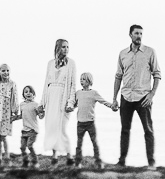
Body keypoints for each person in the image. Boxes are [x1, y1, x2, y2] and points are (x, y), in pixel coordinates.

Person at [112, 24, 161, 168]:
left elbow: (157, 75)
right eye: (136, 33)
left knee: (148, 130)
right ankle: (122, 161)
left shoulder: (150, 52)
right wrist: (114, 98)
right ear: (130, 35)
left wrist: (151, 95)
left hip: (143, 98)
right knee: (125, 130)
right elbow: (118, 76)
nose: (139, 36)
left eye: (141, 34)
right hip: (126, 96)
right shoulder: (123, 54)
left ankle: (151, 162)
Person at [67, 71, 116, 166]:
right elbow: (75, 105)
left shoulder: (94, 93)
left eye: (84, 79)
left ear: (89, 81)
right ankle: (78, 162)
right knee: (79, 144)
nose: (81, 81)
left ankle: (98, 162)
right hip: (80, 123)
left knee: (94, 143)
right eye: (80, 79)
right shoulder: (78, 93)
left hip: (90, 123)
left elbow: (103, 101)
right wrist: (68, 108)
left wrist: (112, 106)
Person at [41, 38, 77, 166]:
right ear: (57, 48)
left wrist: (70, 102)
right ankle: (54, 155)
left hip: (63, 98)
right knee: (52, 127)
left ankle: (69, 155)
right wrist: (42, 103)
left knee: (62, 128)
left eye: (67, 47)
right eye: (63, 47)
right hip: (51, 97)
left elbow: (73, 85)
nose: (66, 49)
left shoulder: (71, 63)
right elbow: (46, 84)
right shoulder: (50, 63)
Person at [16, 85, 41, 168]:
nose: (28, 93)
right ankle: (25, 161)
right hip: (24, 130)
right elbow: (21, 116)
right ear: (23, 95)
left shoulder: (36, 104)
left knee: (30, 146)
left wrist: (42, 112)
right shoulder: (22, 105)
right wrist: (13, 118)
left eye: (30, 92)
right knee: (22, 147)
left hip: (33, 130)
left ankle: (35, 161)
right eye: (26, 92)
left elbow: (40, 116)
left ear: (33, 94)